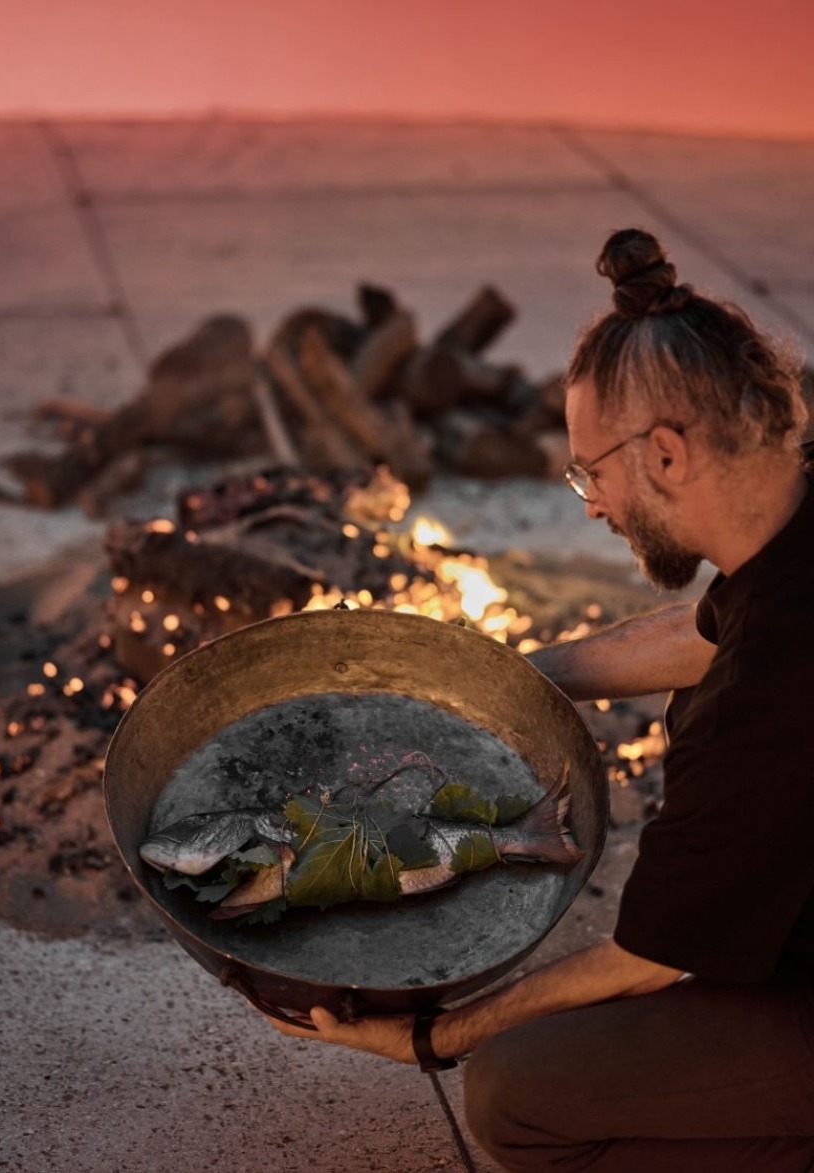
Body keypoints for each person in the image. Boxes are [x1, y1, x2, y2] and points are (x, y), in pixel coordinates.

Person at [266, 228, 814, 1172]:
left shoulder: (763, 702)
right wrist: (511, 679)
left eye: (588, 472)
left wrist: (440, 1035)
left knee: (517, 1091)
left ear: (670, 454)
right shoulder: (793, 521)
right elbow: (718, 628)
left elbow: (647, 952)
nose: (591, 503)